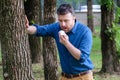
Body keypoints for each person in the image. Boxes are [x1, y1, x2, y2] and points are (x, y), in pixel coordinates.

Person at [26, 3, 94, 80]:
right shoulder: (57, 27)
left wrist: (66, 43)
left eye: (66, 20)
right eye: (60, 20)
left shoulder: (85, 32)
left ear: (74, 18)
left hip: (83, 76)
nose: (63, 24)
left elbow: (82, 57)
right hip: (65, 77)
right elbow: (39, 30)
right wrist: (27, 28)